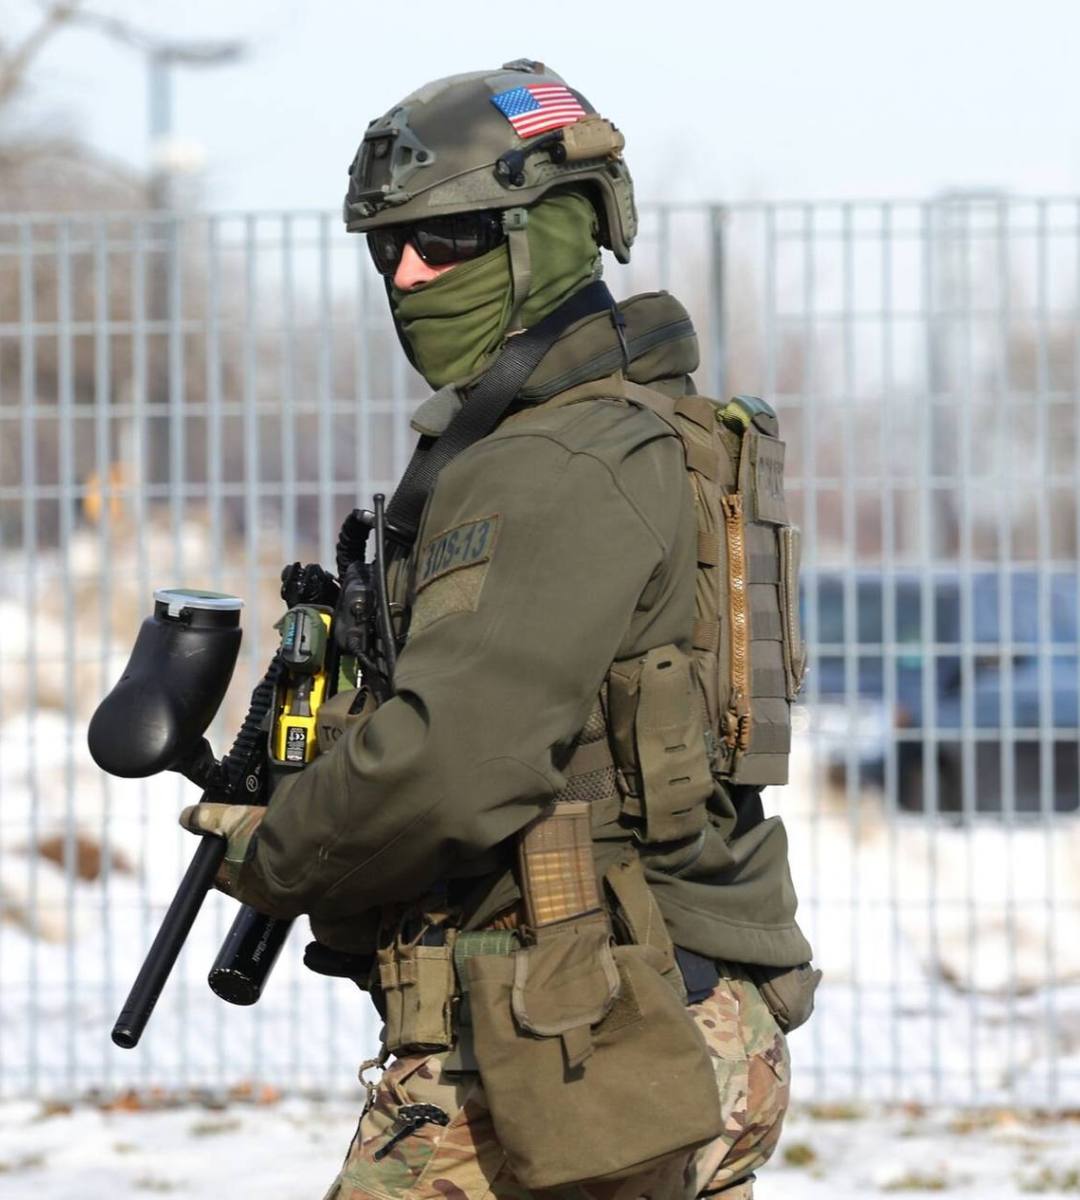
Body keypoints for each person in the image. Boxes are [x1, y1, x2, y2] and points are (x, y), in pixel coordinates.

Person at [181, 59, 818, 1200]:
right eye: (390, 248)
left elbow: (452, 763)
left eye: (450, 238)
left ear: (553, 231)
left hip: (570, 1040)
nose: (410, 274)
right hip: (660, 1011)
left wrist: (272, 850)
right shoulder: (643, 427)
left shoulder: (553, 461)